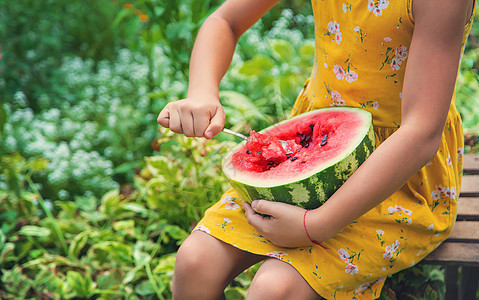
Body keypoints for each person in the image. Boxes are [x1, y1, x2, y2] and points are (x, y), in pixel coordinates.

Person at [157, 0, 475, 298]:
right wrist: (202, 92)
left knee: (274, 288)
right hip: (307, 150)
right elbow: (224, 20)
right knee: (195, 261)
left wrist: (316, 225)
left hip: (402, 176)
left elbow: (420, 134)